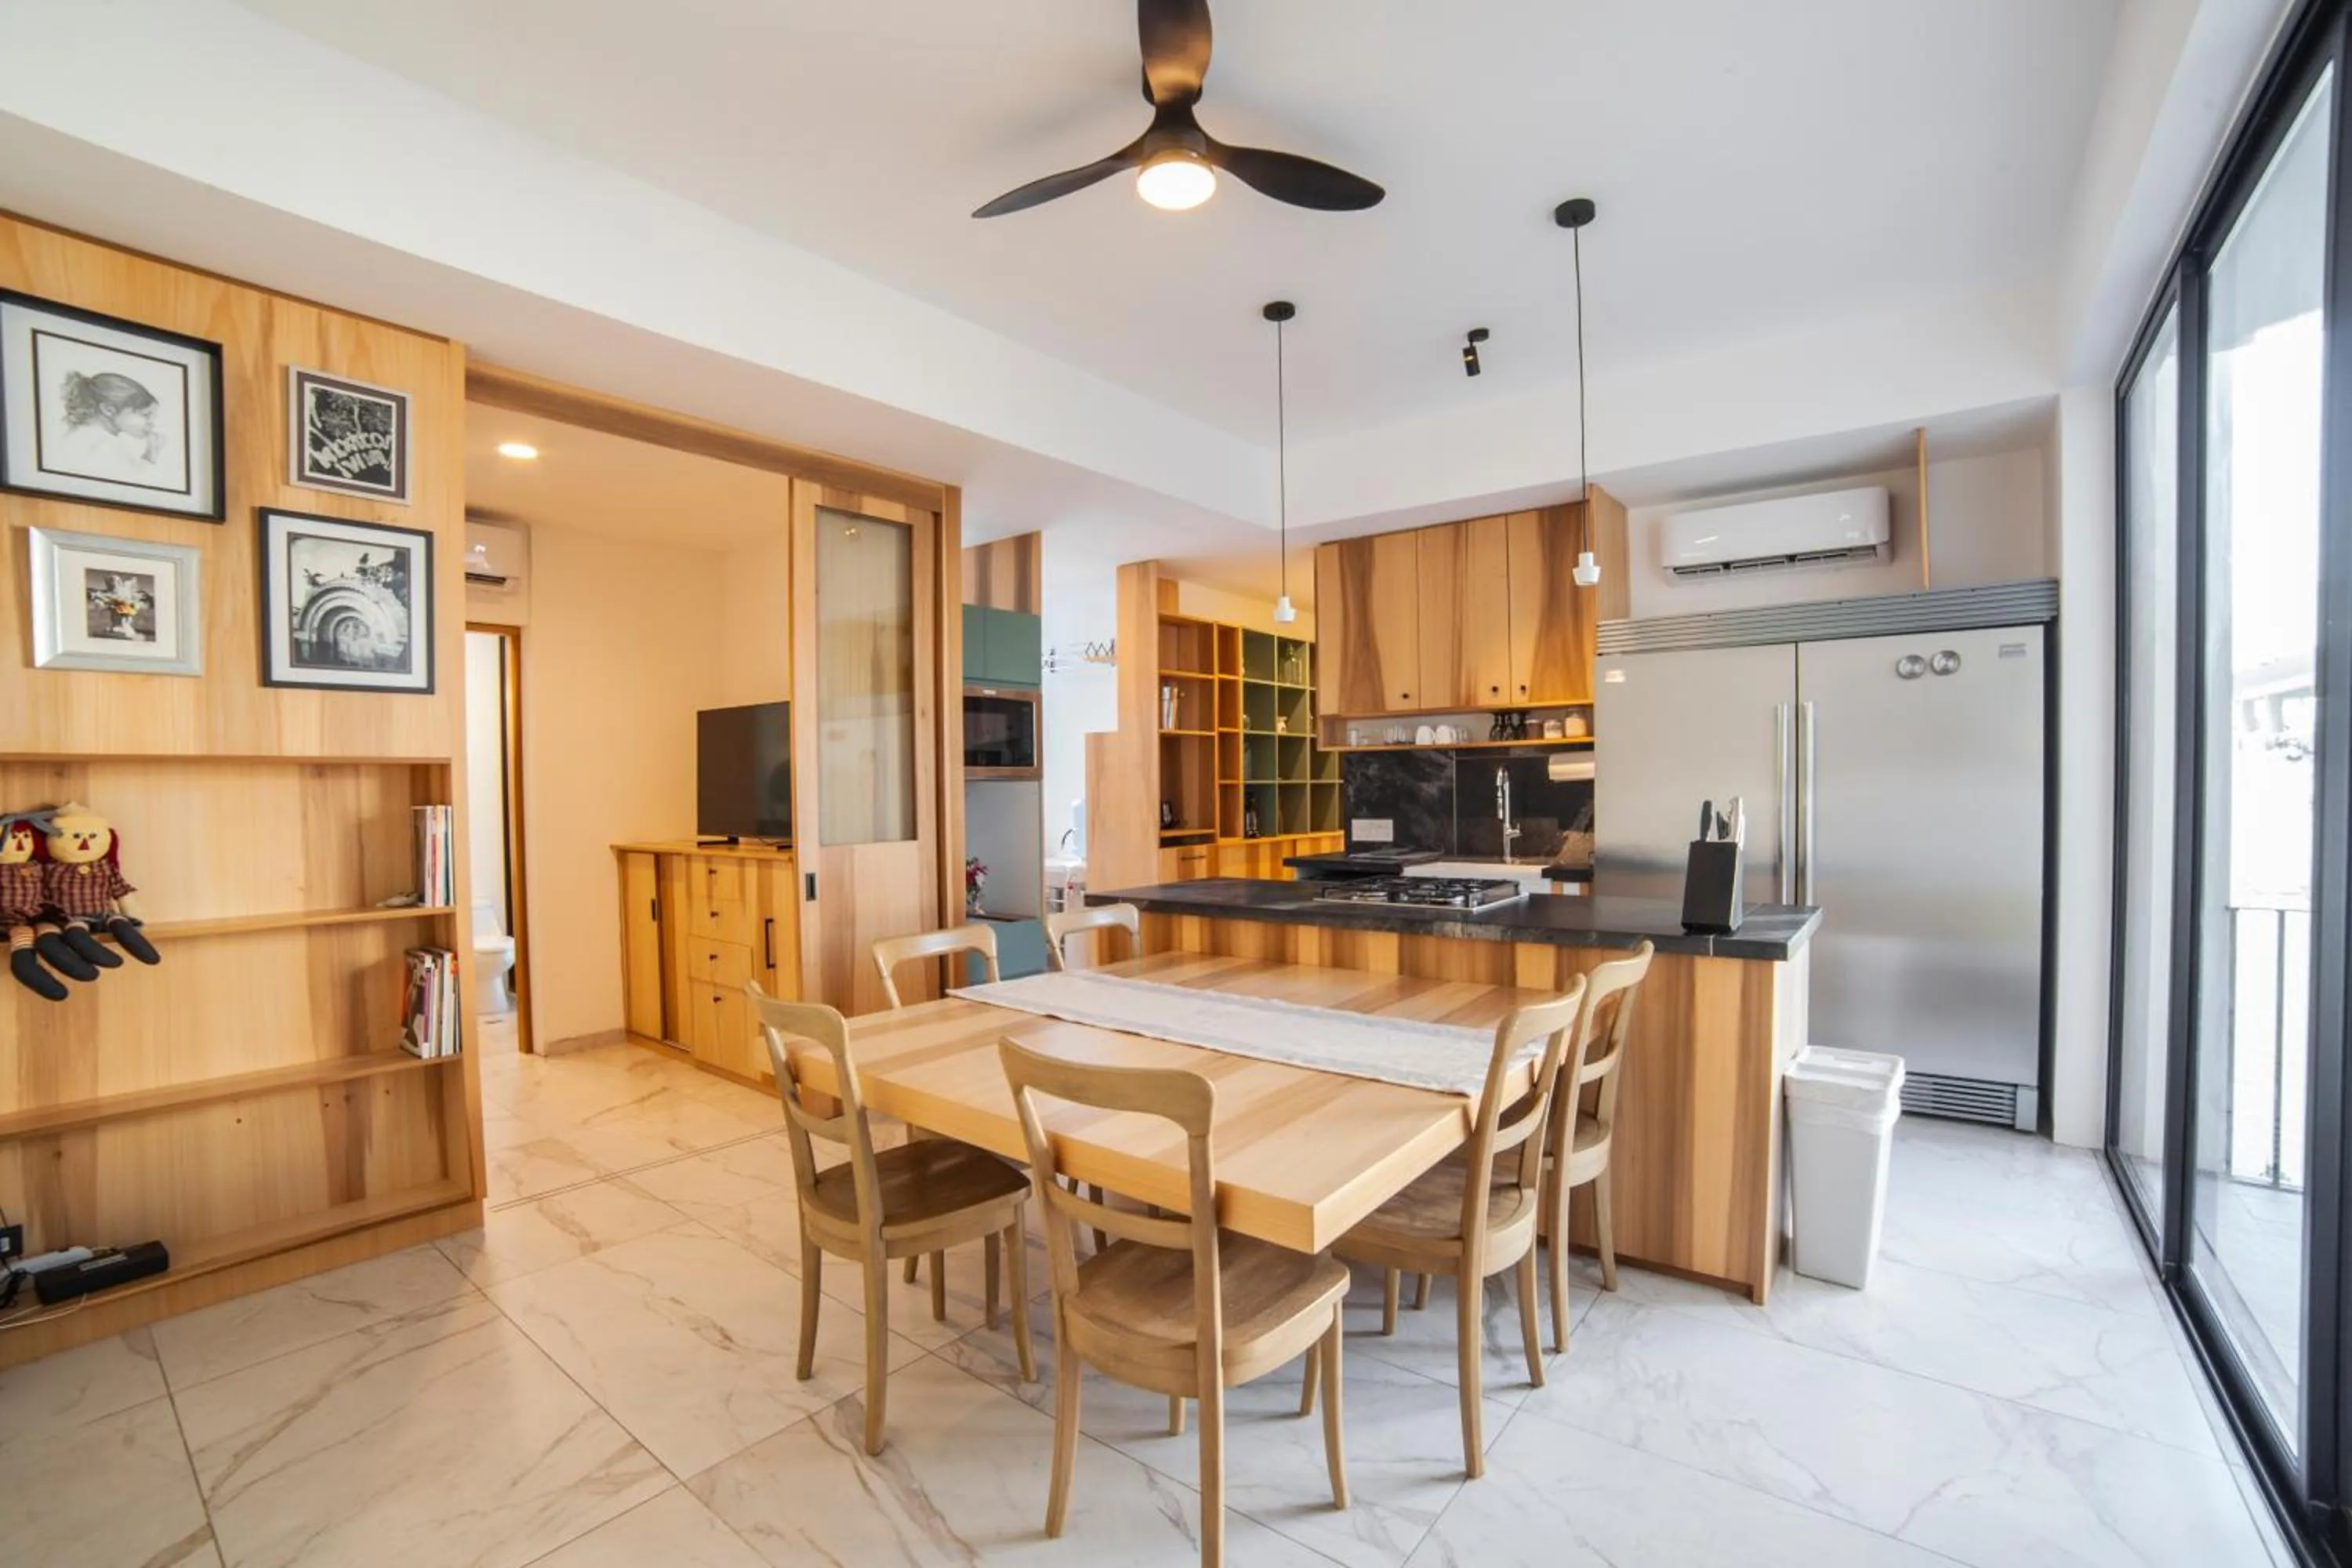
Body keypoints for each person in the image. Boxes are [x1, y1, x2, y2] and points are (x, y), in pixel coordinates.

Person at [50, 370, 164, 477]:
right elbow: (131, 483)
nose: (152, 424)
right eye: (145, 415)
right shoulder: (104, 445)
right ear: (109, 410)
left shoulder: (83, 434)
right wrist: (150, 457)